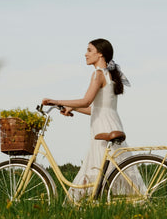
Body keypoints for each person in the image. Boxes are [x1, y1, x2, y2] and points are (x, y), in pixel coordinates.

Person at [42, 38, 145, 203]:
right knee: (112, 167)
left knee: (96, 168)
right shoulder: (110, 74)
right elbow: (96, 109)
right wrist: (73, 108)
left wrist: (57, 101)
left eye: (89, 50)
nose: (85, 54)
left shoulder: (98, 74)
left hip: (102, 126)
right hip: (111, 121)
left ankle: (86, 206)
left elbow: (86, 101)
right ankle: (115, 202)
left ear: (100, 53)